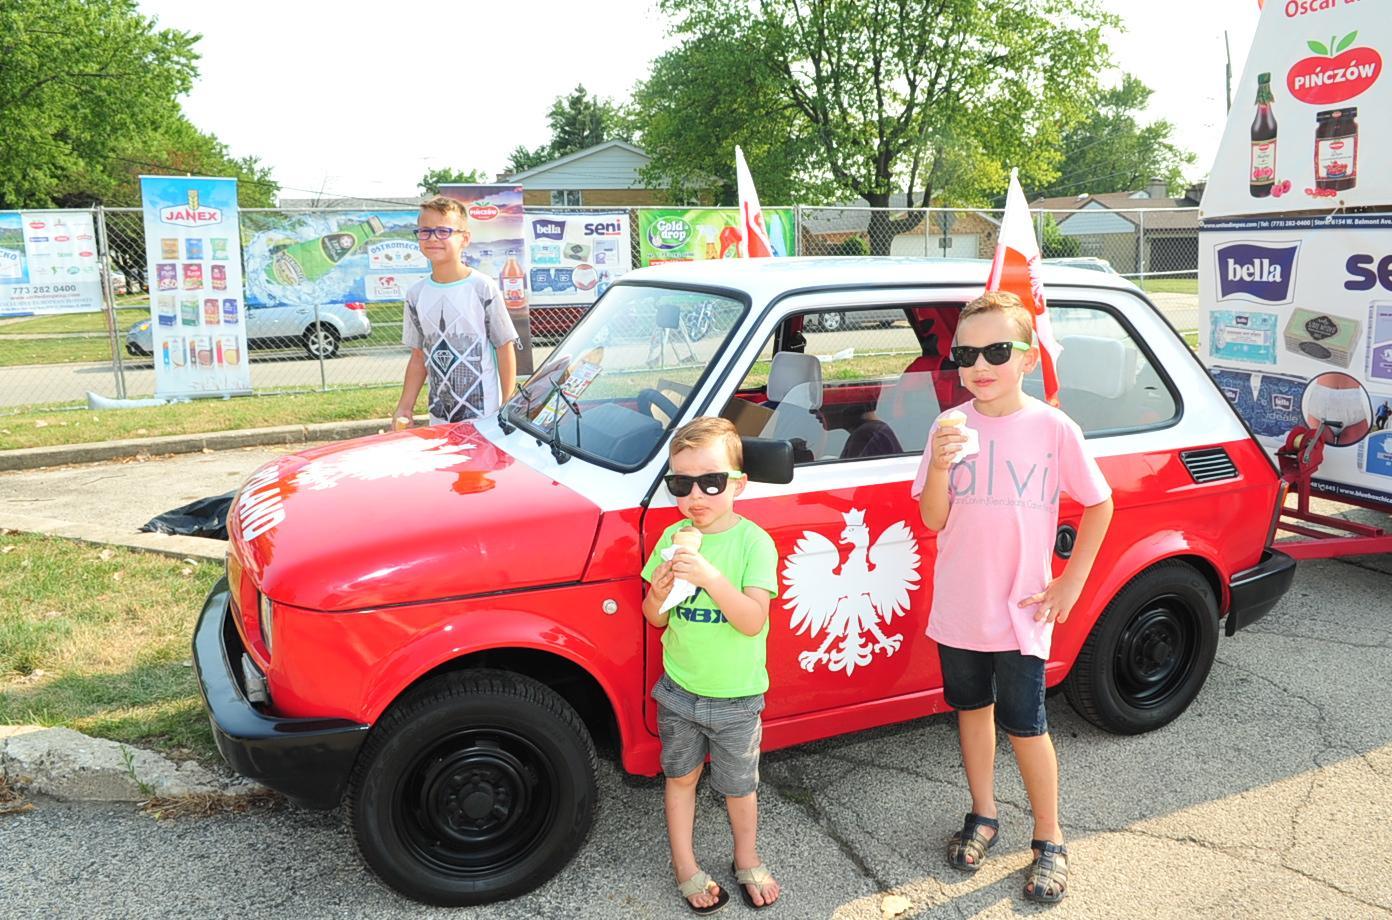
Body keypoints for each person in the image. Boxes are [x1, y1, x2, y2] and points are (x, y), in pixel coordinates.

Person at [912, 291, 1114, 905]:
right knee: (971, 709)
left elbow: (1100, 503)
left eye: (997, 350)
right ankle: (983, 813)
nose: (980, 365)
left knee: (1026, 724)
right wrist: (940, 467)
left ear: (1027, 358)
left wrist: (1071, 581)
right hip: (961, 604)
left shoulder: (1052, 427)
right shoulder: (948, 427)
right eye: (966, 353)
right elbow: (933, 518)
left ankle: (1049, 836)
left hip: (1023, 608)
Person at [641, 416, 781, 913]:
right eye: (681, 484)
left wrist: (710, 577)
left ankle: (746, 857)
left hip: (737, 697)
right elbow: (654, 617)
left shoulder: (753, 543)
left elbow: (752, 620)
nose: (695, 496)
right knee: (680, 778)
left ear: (738, 484)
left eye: (711, 482)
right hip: (679, 690)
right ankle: (685, 864)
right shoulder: (672, 536)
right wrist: (659, 592)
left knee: (739, 787)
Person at [392, 195, 517, 428]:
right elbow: (418, 357)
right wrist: (405, 407)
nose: (433, 238)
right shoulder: (415, 294)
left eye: (443, 231)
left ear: (464, 239)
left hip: (484, 417)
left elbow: (504, 346)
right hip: (439, 418)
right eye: (425, 231)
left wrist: (508, 402)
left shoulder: (483, 287)